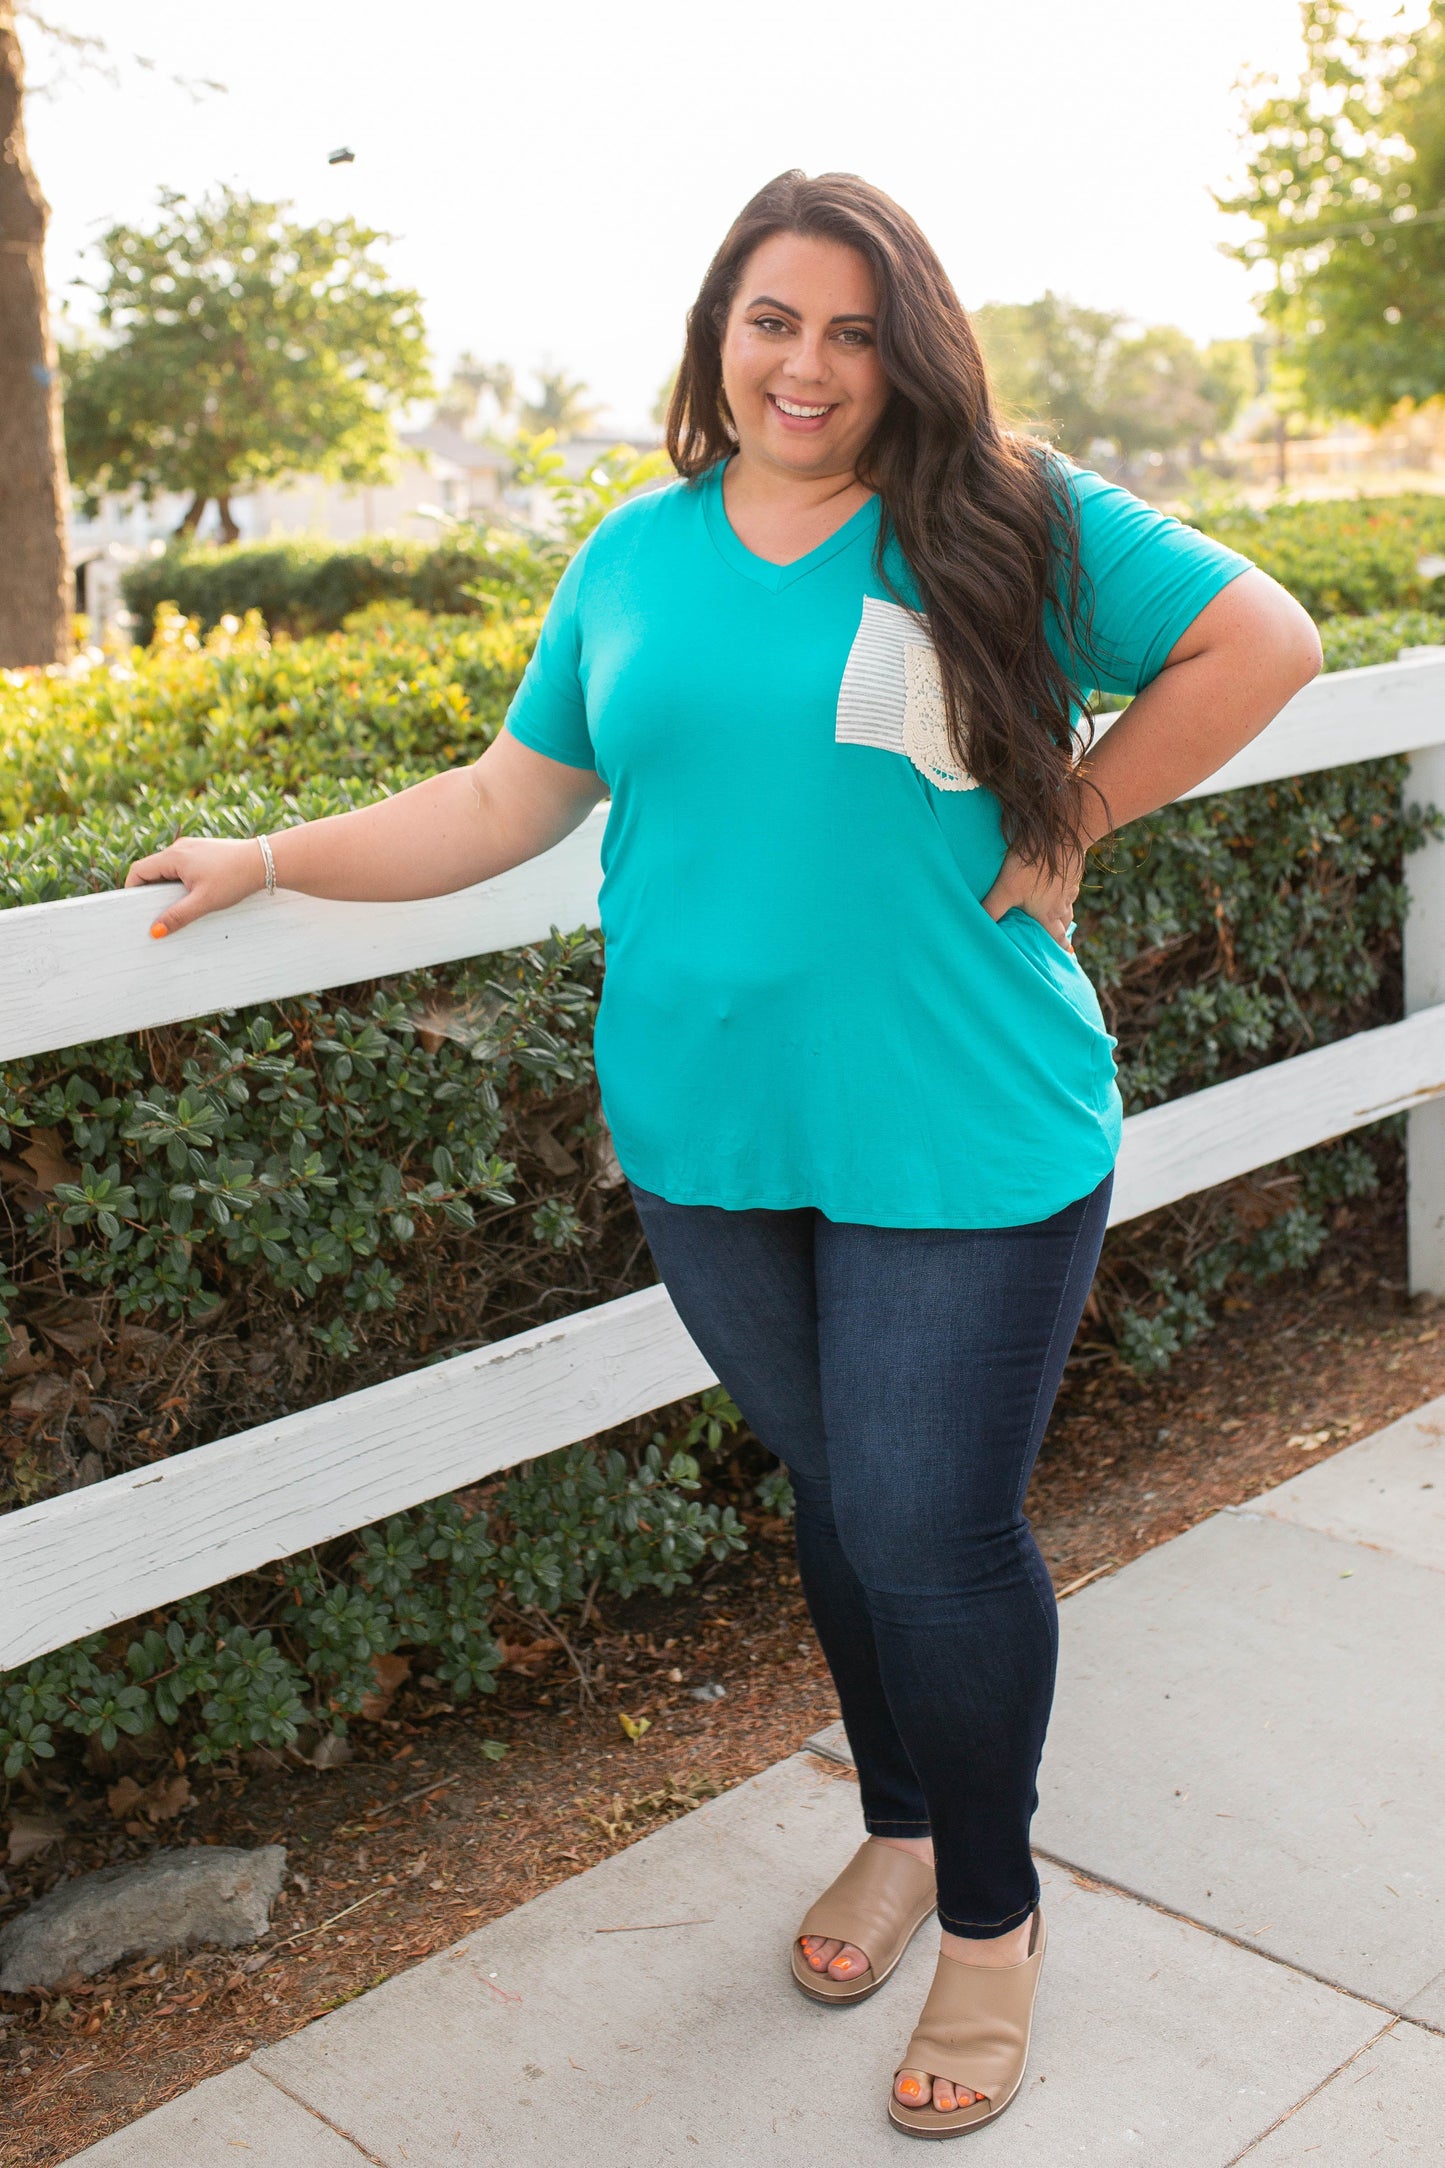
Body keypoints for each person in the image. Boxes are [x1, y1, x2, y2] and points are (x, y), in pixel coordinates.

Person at [125, 170, 1322, 2138]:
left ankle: (996, 1920)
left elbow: (1258, 638)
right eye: (776, 319)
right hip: (709, 1136)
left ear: (905, 346)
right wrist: (270, 858)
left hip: (968, 1127)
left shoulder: (995, 519)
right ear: (717, 332)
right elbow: (513, 797)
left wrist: (1085, 809)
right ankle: (905, 1820)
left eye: (855, 329)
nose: (811, 363)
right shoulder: (636, 554)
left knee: (933, 1524)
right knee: (846, 1495)